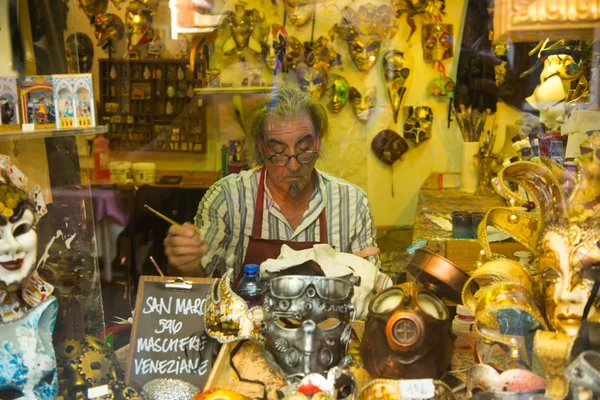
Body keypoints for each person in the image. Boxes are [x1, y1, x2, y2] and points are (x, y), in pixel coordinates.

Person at [164, 88, 380, 278]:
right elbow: (195, 280)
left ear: (318, 141)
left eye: (304, 150)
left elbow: (372, 296)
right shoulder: (229, 197)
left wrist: (358, 276)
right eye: (278, 153)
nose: (293, 166)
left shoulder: (352, 203)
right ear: (261, 148)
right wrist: (187, 264)